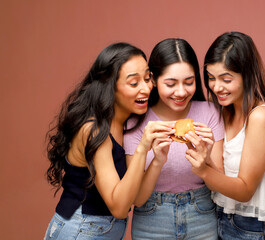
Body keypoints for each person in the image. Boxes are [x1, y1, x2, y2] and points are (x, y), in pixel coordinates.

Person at [44, 42, 174, 239]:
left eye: (148, 78)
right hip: (81, 230)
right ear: (110, 86)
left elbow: (136, 198)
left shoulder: (126, 122)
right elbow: (120, 208)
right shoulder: (94, 129)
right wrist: (142, 148)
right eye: (134, 83)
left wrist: (157, 160)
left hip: (105, 231)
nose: (146, 88)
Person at [185, 32, 265, 240]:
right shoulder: (224, 112)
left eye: (226, 79)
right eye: (210, 78)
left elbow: (245, 190)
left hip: (253, 228)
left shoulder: (261, 117)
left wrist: (202, 170)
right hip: (219, 219)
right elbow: (223, 175)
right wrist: (205, 157)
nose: (217, 87)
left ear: (247, 75)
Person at [123, 38, 224, 239]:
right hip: (151, 221)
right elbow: (138, 199)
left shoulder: (210, 113)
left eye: (189, 82)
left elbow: (218, 186)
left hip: (202, 216)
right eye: (170, 84)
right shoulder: (136, 122)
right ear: (153, 80)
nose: (181, 92)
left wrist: (206, 159)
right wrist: (158, 161)